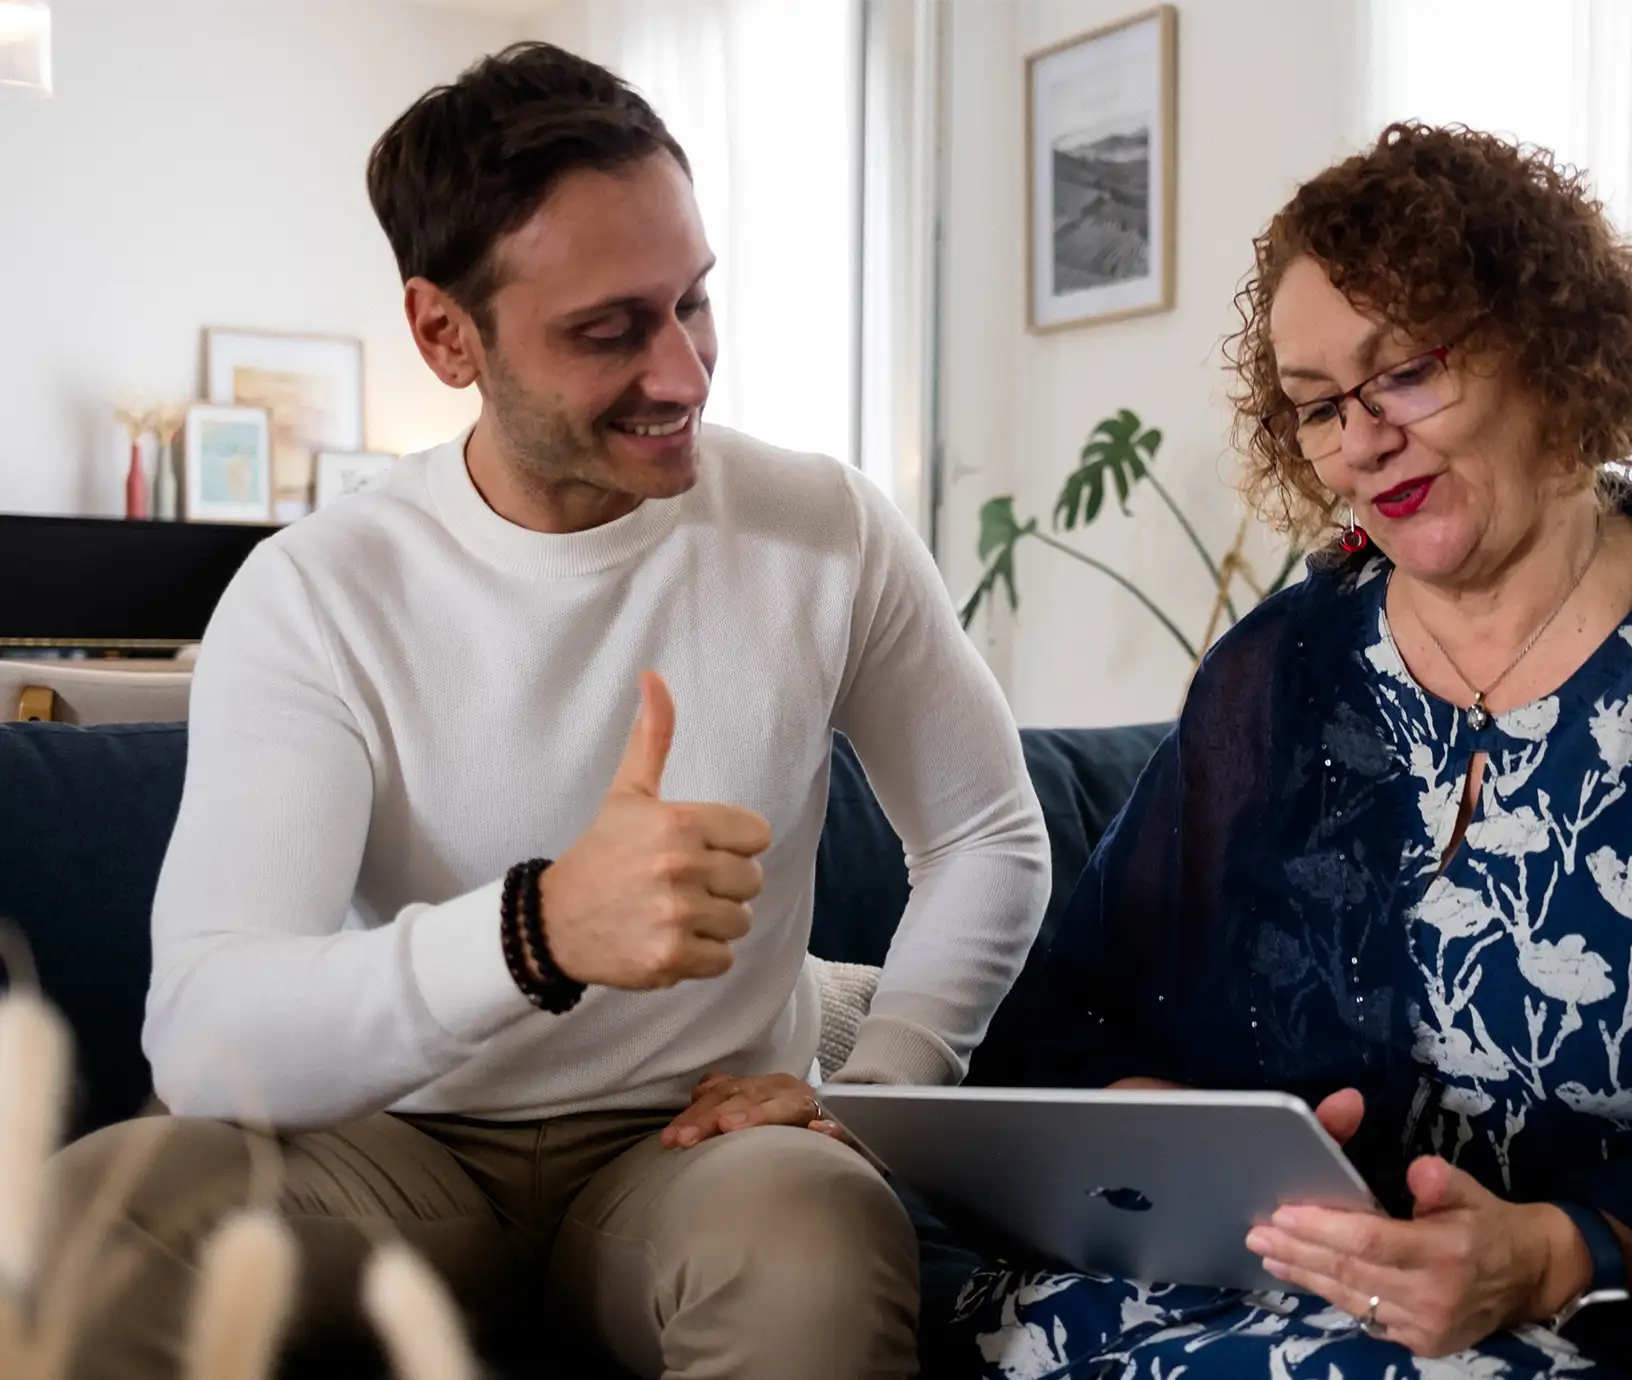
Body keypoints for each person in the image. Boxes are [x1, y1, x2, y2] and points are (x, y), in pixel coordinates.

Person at [48, 42, 1050, 1380]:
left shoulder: (823, 528)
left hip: (693, 1145)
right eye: (610, 329)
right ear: (444, 333)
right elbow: (208, 1030)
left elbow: (987, 833)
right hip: (394, 1148)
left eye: (694, 302)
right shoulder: (320, 592)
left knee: (817, 1243)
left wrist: (891, 1078)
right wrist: (540, 930)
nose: (685, 372)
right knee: (94, 1223)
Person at [945, 123, 1632, 1379]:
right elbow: (1068, 1026)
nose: (1360, 441)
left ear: (1551, 350)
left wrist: (1560, 1252)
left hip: (1581, 1336)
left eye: (1404, 373)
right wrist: (1155, 1126)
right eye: (1317, 407)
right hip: (1255, 1298)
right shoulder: (1273, 675)